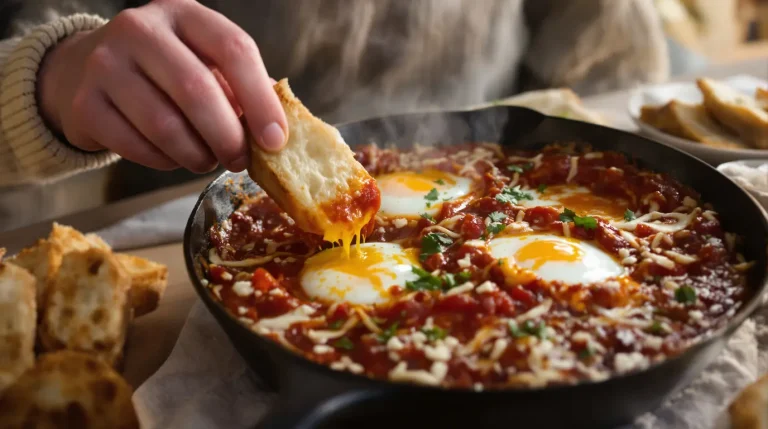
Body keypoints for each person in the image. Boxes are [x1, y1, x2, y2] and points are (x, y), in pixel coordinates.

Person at [0, 0, 669, 186]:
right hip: (181, 195)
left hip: (492, 164)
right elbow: (36, 38)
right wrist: (50, 76)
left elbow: (614, 68)